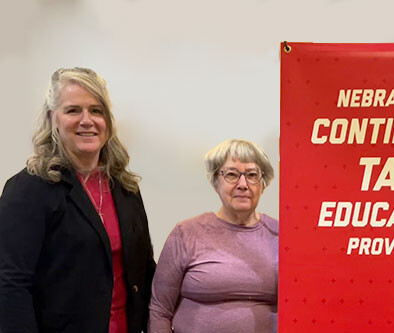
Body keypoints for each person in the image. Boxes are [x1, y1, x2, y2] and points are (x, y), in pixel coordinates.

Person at [0, 67, 155, 332]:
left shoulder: (125, 187)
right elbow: (10, 285)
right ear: (53, 119)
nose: (87, 120)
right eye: (73, 110)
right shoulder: (28, 189)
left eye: (96, 110)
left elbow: (144, 269)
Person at [149, 139, 278, 333]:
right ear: (216, 182)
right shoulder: (185, 233)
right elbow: (160, 310)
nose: (243, 184)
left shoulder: (280, 236)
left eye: (252, 175)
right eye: (232, 175)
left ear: (263, 183)